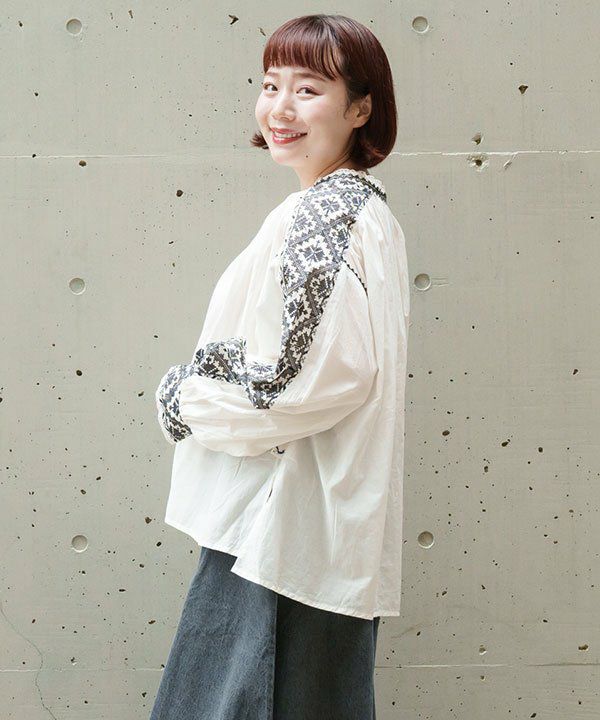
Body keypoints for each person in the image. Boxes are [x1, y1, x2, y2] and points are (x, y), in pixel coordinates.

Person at [150, 13, 410, 720]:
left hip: (277, 535)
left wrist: (184, 399)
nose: (281, 109)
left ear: (361, 109)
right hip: (314, 535)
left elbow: (302, 381)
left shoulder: (323, 217)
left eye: (309, 89)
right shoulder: (359, 212)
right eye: (271, 86)